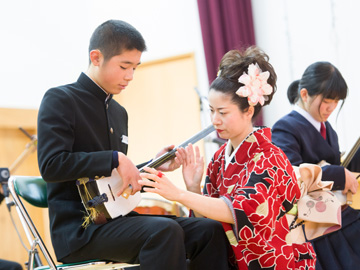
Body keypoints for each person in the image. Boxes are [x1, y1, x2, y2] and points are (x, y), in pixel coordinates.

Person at [37, 20, 231, 270]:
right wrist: (116, 158)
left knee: (209, 229)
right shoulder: (61, 99)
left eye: (135, 68)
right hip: (81, 230)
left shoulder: (119, 112)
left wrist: (155, 164)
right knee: (164, 231)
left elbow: (112, 179)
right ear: (96, 57)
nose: (129, 76)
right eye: (124, 66)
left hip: (119, 220)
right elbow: (51, 166)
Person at [138, 46, 316, 269]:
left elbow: (240, 210)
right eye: (211, 110)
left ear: (248, 111)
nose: (215, 120)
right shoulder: (219, 159)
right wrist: (193, 188)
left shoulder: (270, 158)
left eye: (222, 112)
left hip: (278, 261)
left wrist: (179, 194)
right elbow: (208, 225)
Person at [271, 61, 360, 269]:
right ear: (304, 95)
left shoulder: (329, 130)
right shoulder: (285, 128)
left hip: (335, 214)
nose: (331, 108)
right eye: (327, 100)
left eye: (336, 101)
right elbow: (291, 175)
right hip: (312, 226)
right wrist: (338, 174)